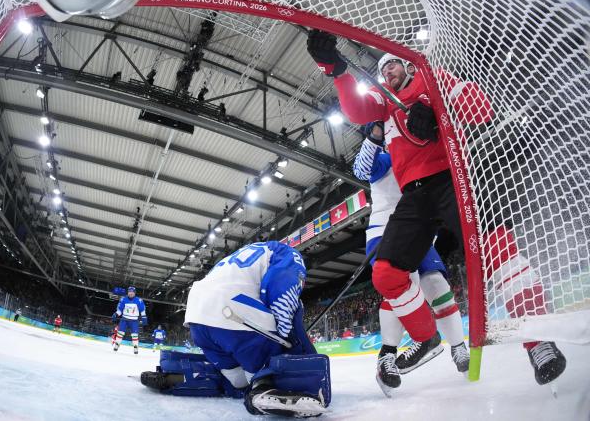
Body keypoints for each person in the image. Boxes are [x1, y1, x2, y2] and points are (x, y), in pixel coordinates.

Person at [307, 29, 566, 386]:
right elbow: (354, 108)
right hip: (414, 197)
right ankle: (427, 337)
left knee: (496, 251)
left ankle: (540, 341)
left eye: (394, 65)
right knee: (386, 275)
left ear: (409, 66)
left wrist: (436, 106)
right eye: (383, 71)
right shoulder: (383, 107)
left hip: (452, 179)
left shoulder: (432, 81)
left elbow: (481, 109)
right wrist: (335, 68)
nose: (388, 74)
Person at [140, 242, 331, 418]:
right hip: (232, 312)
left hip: (197, 317)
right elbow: (281, 293)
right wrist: (292, 348)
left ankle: (175, 376)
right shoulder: (290, 254)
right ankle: (264, 387)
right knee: (265, 371)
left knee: (238, 383)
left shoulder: (247, 254)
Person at [352, 122, 470, 391]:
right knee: (404, 285)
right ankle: (388, 356)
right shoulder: (385, 158)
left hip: (419, 230)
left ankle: (458, 347)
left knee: (437, 285)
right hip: (385, 229)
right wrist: (375, 136)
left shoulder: (421, 155)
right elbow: (360, 169)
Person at [112, 286, 147, 354]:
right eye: (129, 292)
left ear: (134, 293)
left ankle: (135, 347)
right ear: (127, 292)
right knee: (120, 333)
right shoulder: (123, 299)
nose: (130, 293)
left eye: (132, 292)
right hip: (124, 319)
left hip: (134, 321)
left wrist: (144, 317)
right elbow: (120, 310)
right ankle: (117, 344)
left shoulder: (139, 300)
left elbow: (142, 310)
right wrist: (116, 314)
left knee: (135, 335)